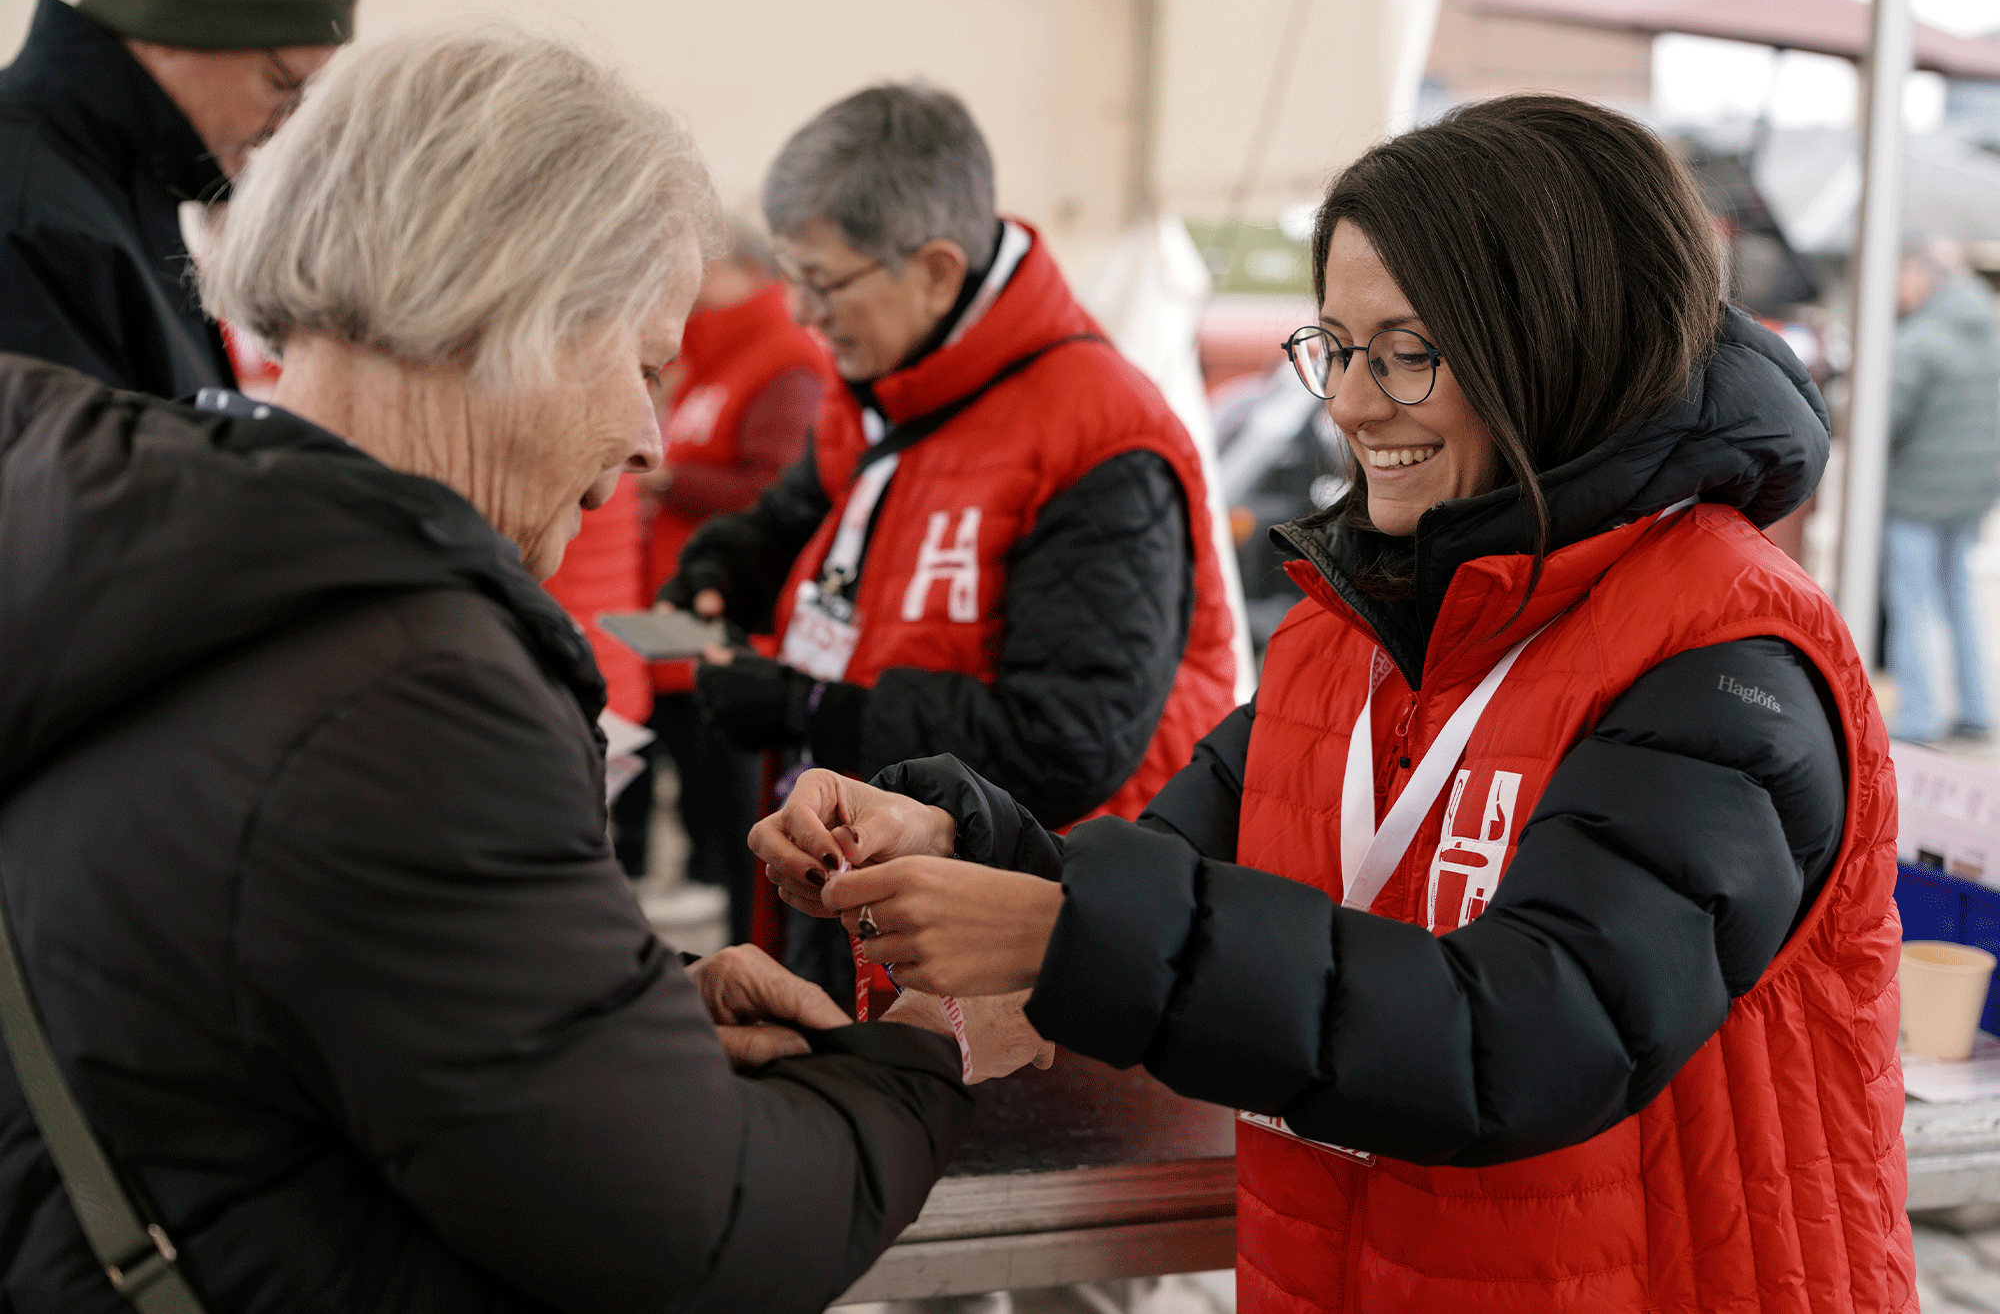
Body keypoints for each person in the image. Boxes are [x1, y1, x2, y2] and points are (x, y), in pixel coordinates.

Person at [756, 95, 1914, 1313]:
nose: (1353, 404)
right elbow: (1166, 881)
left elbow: (1530, 1038)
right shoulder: (1344, 631)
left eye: (1408, 350)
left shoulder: (1727, 654)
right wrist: (961, 842)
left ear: (1555, 343)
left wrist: (1063, 934)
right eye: (1333, 347)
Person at [0, 29, 975, 1313]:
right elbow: (698, 1232)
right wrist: (916, 1059)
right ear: (520, 303)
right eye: (638, 363)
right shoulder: (407, 688)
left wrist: (622, 1022)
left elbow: (273, 1012)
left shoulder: (163, 549)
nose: (644, 438)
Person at [664, 83, 1237, 976]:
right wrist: (729, 558)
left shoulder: (1100, 436)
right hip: (861, 890)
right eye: (792, 278)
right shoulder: (887, 382)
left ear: (934, 268)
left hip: (1012, 948)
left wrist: (809, 706)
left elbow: (1067, 738)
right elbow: (802, 512)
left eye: (823, 282)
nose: (803, 314)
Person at [617, 217, 831, 925]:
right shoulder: (711, 363)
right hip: (682, 619)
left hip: (732, 632)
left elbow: (778, 488)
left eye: (706, 268)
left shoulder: (781, 360)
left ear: (745, 269)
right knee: (713, 814)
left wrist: (672, 484)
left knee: (744, 823)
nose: (692, 286)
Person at [0, 0, 347, 396]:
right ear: (168, 34)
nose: (286, 126)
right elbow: (57, 456)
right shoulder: (23, 210)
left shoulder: (112, 188)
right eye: (281, 84)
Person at [1882, 238, 2000, 743]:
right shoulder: (1987, 332)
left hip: (1917, 494)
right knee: (1957, 598)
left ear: (1921, 276)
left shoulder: (1919, 341)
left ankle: (1919, 716)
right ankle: (1976, 707)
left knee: (1911, 601)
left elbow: (1883, 420)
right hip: (1972, 492)